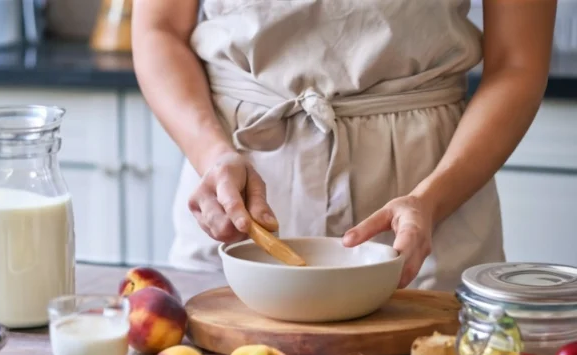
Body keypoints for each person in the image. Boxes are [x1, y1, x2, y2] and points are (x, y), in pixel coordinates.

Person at [132, 0, 556, 291]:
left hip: (430, 200)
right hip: (238, 186)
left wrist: (431, 200)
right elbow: (159, 29)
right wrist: (213, 154)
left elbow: (517, 62)